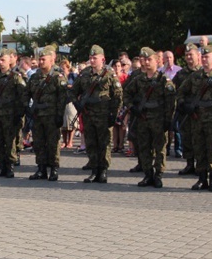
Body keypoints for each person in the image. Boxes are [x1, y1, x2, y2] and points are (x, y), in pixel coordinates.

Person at [177, 45, 212, 192]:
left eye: (207, 57)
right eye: (202, 57)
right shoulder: (195, 76)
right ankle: (202, 178)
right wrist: (185, 105)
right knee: (199, 148)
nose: (204, 59)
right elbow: (181, 92)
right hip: (197, 119)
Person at [123, 47, 176, 188]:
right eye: (144, 59)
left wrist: (168, 119)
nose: (146, 62)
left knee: (160, 149)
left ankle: (158, 174)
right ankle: (148, 174)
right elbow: (126, 93)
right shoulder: (138, 79)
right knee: (144, 148)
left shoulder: (164, 80)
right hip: (143, 118)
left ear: (157, 61)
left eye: (149, 59)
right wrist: (131, 107)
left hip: (158, 119)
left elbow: (171, 101)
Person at [70, 45, 123, 183]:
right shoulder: (84, 74)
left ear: (102, 59)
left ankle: (103, 170)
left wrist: (114, 114)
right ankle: (94, 170)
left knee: (104, 143)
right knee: (91, 143)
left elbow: (118, 96)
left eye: (95, 58)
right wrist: (77, 105)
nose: (92, 60)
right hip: (88, 115)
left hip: (104, 115)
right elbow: (72, 91)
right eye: (90, 58)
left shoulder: (109, 74)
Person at [25, 46, 69, 181]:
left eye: (44, 59)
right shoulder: (34, 77)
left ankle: (54, 169)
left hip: (51, 115)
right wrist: (27, 109)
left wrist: (59, 115)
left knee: (53, 143)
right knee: (38, 142)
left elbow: (63, 98)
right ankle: (41, 169)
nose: (41, 62)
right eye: (40, 59)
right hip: (38, 115)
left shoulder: (57, 77)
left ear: (51, 61)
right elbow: (27, 94)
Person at [0, 48, 26, 178]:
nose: (0, 62)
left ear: (9, 61)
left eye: (3, 60)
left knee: (10, 141)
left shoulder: (15, 77)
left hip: (10, 115)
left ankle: (10, 166)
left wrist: (19, 113)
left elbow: (23, 96)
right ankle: (1, 166)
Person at [172, 43, 202, 175]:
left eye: (191, 54)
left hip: (201, 113)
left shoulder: (204, 72)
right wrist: (182, 103)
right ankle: (190, 164)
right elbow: (175, 91)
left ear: (198, 56)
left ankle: (201, 165)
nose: (189, 57)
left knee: (200, 139)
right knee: (187, 139)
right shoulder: (181, 74)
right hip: (186, 113)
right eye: (187, 55)